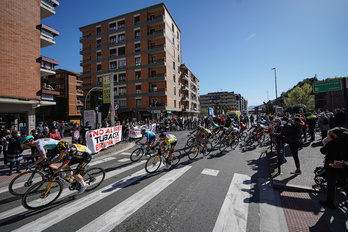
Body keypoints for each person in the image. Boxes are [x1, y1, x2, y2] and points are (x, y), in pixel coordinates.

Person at [319, 127, 348, 209]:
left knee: (331, 184)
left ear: (337, 135)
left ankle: (330, 202)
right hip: (344, 165)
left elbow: (323, 150)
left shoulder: (334, 142)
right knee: (345, 183)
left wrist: (329, 140)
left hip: (333, 165)